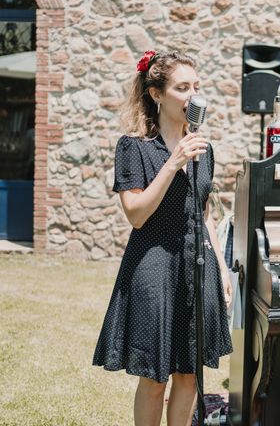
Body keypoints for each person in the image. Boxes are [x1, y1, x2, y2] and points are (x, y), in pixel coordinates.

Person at [93, 50, 233, 426]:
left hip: (197, 265)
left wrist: (220, 268)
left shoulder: (204, 149)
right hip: (153, 267)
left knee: (189, 374)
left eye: (197, 87)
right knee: (155, 377)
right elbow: (137, 214)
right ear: (157, 94)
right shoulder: (134, 147)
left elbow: (205, 213)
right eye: (182, 87)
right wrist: (173, 163)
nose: (193, 96)